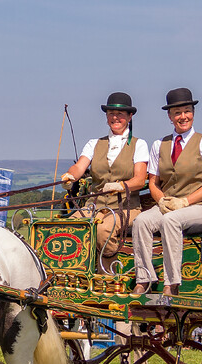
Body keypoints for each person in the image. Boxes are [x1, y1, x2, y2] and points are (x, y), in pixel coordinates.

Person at [131, 88, 202, 296]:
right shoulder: (159, 145)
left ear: (193, 113)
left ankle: (171, 283)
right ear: (170, 116)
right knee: (141, 222)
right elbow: (153, 182)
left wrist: (184, 202)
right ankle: (144, 278)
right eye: (177, 113)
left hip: (200, 207)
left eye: (187, 111)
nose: (183, 116)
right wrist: (162, 201)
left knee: (170, 221)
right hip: (168, 205)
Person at [61, 92, 148, 273]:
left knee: (103, 231)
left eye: (121, 114)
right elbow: (79, 167)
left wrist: (120, 186)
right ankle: (74, 274)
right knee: (69, 228)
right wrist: (69, 176)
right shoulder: (94, 144)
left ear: (130, 117)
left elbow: (140, 179)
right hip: (94, 206)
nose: (115, 118)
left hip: (126, 207)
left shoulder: (139, 145)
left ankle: (109, 275)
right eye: (111, 114)